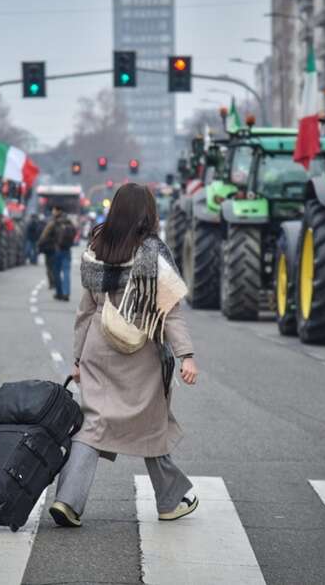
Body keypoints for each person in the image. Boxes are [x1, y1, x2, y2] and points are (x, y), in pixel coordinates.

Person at [49, 183, 200, 528]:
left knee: (93, 424)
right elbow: (171, 312)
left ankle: (67, 501)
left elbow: (85, 311)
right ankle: (170, 500)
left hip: (97, 348)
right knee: (151, 424)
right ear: (148, 213)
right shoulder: (153, 253)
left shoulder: (97, 248)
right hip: (140, 353)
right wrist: (186, 355)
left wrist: (76, 359)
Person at [38, 207, 75, 301]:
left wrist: (41, 245)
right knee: (66, 272)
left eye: (54, 210)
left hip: (57, 250)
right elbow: (74, 233)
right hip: (67, 250)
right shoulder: (69, 222)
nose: (52, 211)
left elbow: (44, 236)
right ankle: (66, 293)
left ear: (57, 211)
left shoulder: (54, 223)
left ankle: (59, 293)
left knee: (56, 272)